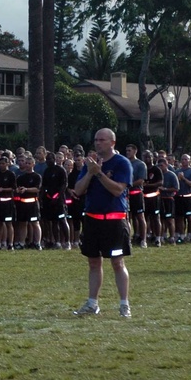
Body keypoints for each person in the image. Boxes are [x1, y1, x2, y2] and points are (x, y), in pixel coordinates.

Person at [73, 128, 133, 318]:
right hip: (92, 219)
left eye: (102, 140)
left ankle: (124, 304)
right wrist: (90, 173)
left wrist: (99, 174)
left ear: (112, 143)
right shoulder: (89, 163)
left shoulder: (122, 163)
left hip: (114, 221)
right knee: (93, 262)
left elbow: (117, 190)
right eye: (96, 139)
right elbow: (78, 190)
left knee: (117, 262)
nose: (98, 143)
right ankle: (92, 303)